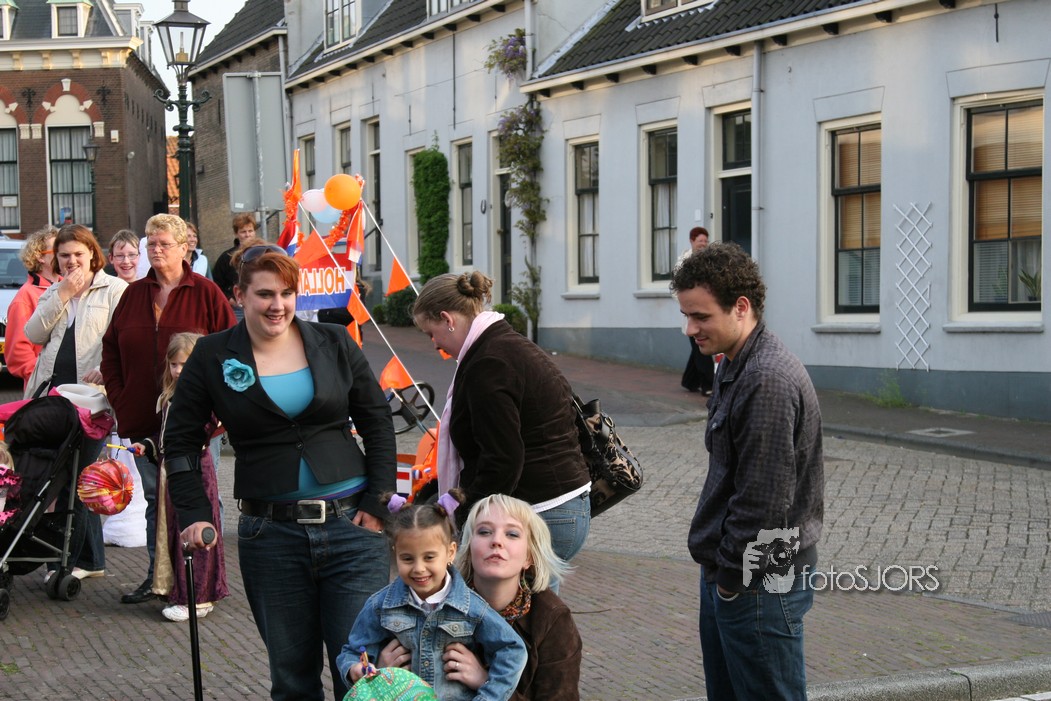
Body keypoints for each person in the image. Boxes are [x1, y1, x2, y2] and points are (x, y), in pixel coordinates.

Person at [165, 242, 396, 701]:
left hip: (353, 530)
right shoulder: (211, 355)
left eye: (287, 294)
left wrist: (378, 502)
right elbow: (180, 442)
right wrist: (194, 512)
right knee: (292, 680)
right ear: (239, 295)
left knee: (361, 674)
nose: (278, 305)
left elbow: (376, 420)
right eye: (265, 294)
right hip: (271, 536)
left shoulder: (334, 341)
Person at [670, 242, 824, 700]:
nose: (689, 329)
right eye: (686, 315)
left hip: (755, 584)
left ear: (741, 307)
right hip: (735, 576)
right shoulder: (734, 362)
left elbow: (763, 500)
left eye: (700, 316)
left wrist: (731, 583)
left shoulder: (766, 379)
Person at [100, 213, 236, 606]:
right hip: (145, 419)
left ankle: (204, 584)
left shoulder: (206, 293)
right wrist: (121, 397)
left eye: (163, 243)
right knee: (153, 501)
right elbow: (111, 350)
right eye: (150, 243)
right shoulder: (134, 295)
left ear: (184, 248)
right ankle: (157, 578)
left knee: (200, 499)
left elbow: (232, 353)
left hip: (197, 423)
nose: (155, 250)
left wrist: (220, 410)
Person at [412, 272, 591, 566]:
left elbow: (503, 459)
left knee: (501, 597)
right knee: (531, 599)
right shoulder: (503, 344)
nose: (434, 344)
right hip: (558, 505)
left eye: (431, 333)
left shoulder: (489, 363)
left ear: (447, 319)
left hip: (540, 510)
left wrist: (466, 515)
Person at [379, 493, 582, 701]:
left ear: (529, 556)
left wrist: (486, 681)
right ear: (467, 548)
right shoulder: (423, 598)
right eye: (484, 532)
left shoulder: (551, 618)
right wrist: (379, 672)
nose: (496, 541)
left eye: (512, 534)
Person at [338, 493, 527, 701]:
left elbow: (512, 650)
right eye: (407, 558)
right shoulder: (380, 605)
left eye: (429, 557)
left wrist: (488, 697)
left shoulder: (471, 607)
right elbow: (353, 651)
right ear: (395, 552)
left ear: (450, 552)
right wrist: (355, 669)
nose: (419, 568)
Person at [24, 223, 129, 580]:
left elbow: (126, 340)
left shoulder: (115, 289)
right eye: (64, 255)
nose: (71, 261)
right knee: (63, 479)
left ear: (92, 255)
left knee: (78, 479)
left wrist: (107, 369)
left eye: (78, 254)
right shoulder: (55, 290)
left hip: (91, 401)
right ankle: (91, 560)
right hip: (52, 398)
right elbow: (33, 333)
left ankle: (66, 564)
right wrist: (62, 294)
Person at [131, 332, 227, 622]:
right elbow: (166, 435)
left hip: (194, 469)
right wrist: (148, 445)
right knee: (174, 533)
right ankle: (178, 591)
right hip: (170, 471)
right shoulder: (169, 396)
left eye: (185, 364)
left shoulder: (202, 397)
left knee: (194, 531)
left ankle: (198, 597)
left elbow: (200, 430)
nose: (178, 370)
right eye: (174, 364)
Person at [5, 225, 59, 390]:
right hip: (47, 389)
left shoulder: (70, 287)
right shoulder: (24, 298)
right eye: (57, 250)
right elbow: (18, 353)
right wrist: (44, 379)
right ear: (40, 257)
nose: (64, 254)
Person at [680, 227, 715, 396]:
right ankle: (708, 385)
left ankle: (689, 380)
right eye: (700, 241)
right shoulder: (683, 263)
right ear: (692, 241)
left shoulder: (709, 261)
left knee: (697, 345)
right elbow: (677, 287)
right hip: (692, 311)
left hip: (705, 309)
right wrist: (689, 304)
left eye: (706, 241)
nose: (703, 244)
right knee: (701, 345)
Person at [211, 212, 258, 313]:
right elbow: (216, 284)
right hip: (236, 309)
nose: (247, 235)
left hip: (258, 306)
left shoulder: (262, 254)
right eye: (243, 232)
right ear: (236, 234)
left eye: (250, 231)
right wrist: (229, 299)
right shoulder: (227, 257)